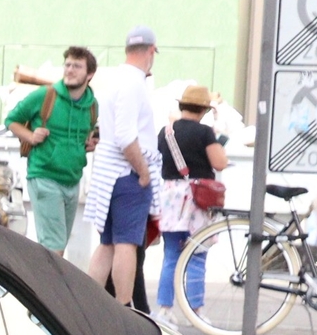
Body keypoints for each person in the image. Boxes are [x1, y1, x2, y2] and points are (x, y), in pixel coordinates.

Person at [83, 27, 160, 307]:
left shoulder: (115, 80)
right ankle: (124, 308)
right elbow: (127, 135)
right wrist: (143, 171)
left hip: (108, 174)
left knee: (107, 244)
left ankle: (88, 305)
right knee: (126, 243)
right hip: (127, 174)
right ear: (151, 51)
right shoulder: (134, 84)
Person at [5, 46, 101, 254]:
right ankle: (44, 287)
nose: (70, 70)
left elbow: (84, 138)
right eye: (67, 64)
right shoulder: (46, 95)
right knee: (54, 246)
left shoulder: (92, 106)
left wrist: (88, 145)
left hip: (72, 180)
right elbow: (11, 120)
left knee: (57, 247)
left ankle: (36, 283)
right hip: (44, 177)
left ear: (90, 74)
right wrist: (30, 136)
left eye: (77, 66)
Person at [154, 84, 228, 313]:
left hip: (170, 197)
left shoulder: (166, 132)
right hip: (197, 199)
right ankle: (196, 309)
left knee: (172, 254)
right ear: (204, 110)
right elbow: (219, 163)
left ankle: (165, 308)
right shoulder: (205, 132)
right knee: (197, 253)